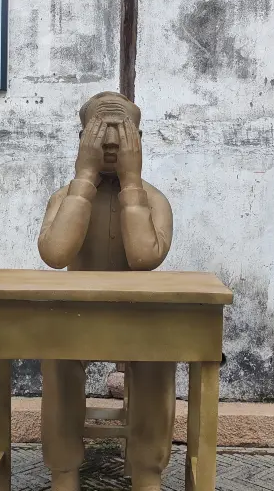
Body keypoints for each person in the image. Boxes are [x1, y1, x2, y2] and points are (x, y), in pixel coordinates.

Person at [37, 91, 175, 491]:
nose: (111, 143)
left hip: (138, 317)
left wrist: (132, 183)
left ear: (140, 139)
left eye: (122, 133)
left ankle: (147, 468)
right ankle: (63, 468)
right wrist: (83, 181)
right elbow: (55, 253)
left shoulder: (155, 201)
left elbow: (145, 257)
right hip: (76, 317)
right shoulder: (65, 198)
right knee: (58, 360)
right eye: (100, 133)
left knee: (156, 362)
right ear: (82, 138)